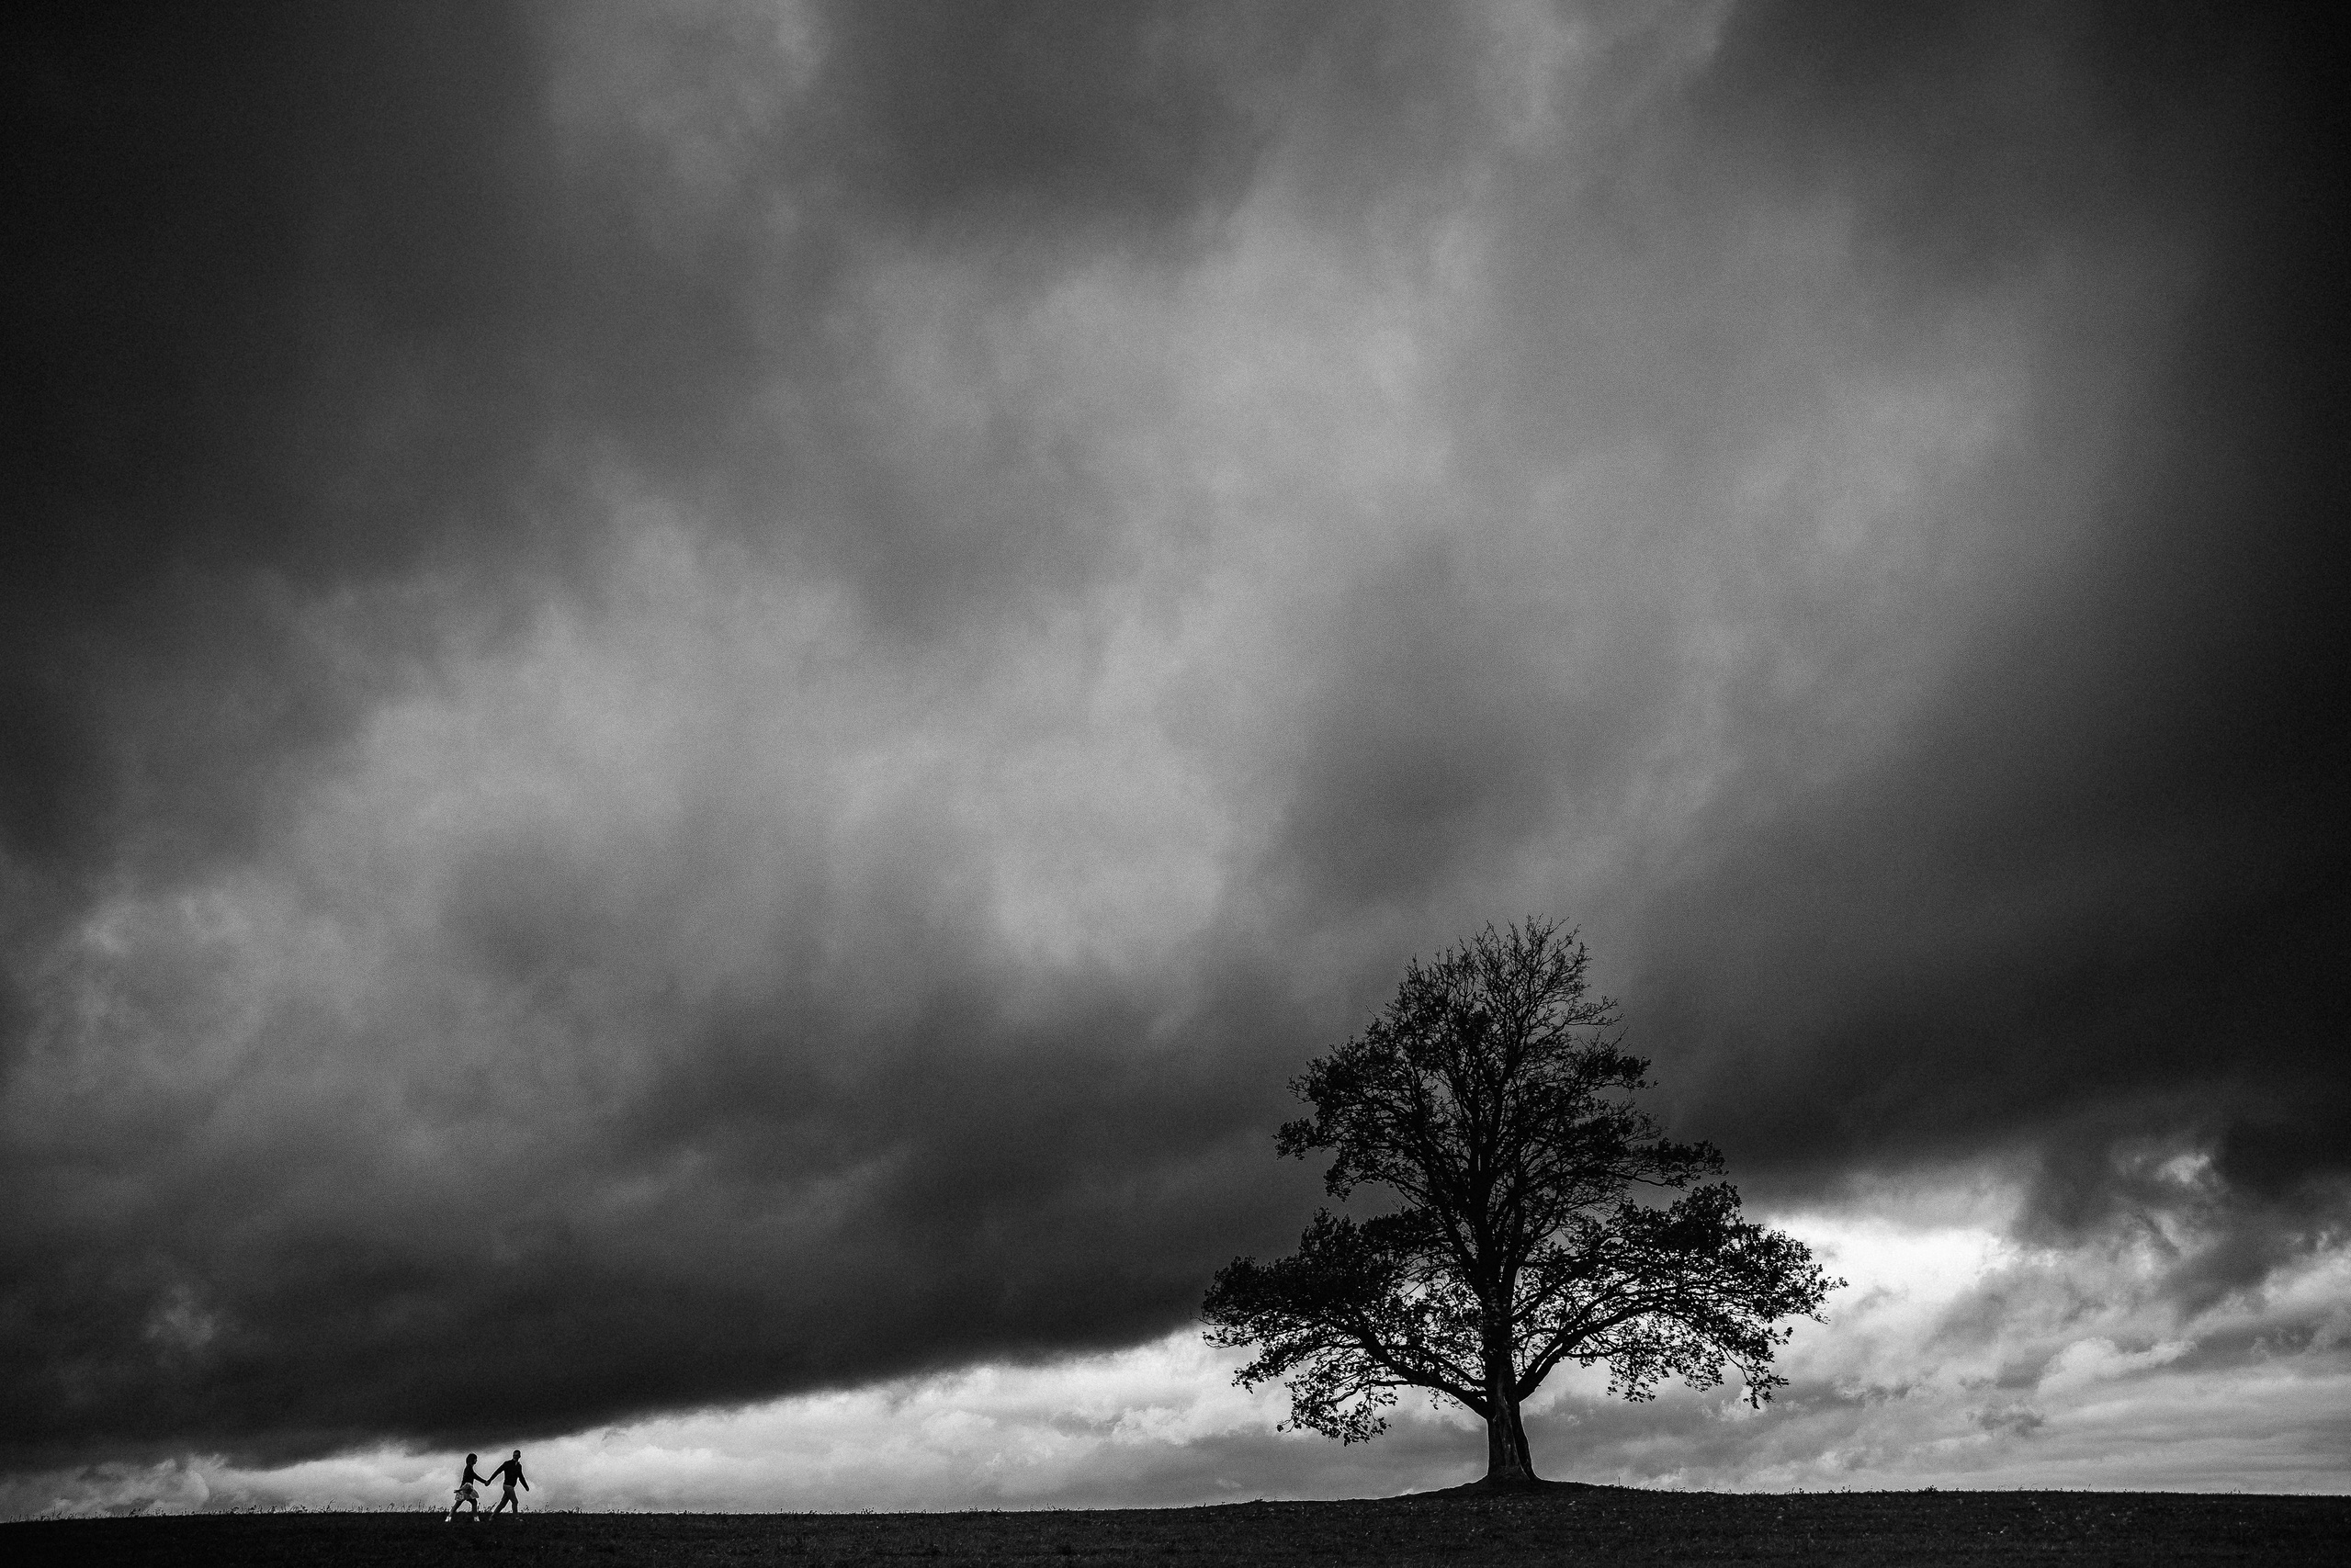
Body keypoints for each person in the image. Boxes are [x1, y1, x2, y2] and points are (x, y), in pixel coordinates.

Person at [446, 1452, 490, 1521]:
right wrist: (485, 1482)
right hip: (467, 1488)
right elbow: (474, 1476)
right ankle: (476, 1518)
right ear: (473, 1460)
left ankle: (449, 1518)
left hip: (465, 1488)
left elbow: (473, 1476)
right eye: (476, 1459)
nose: (476, 1460)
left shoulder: (468, 1467)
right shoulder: (469, 1468)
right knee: (473, 1502)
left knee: (458, 1504)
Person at [486, 1449, 529, 1515]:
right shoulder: (507, 1463)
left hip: (511, 1486)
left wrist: (526, 1486)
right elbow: (498, 1471)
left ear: (519, 1456)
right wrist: (490, 1480)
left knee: (502, 1504)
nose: (515, 1457)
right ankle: (516, 1518)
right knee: (515, 1502)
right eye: (514, 1455)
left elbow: (521, 1477)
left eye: (516, 1455)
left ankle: (492, 1517)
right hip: (507, 1486)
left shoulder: (519, 1466)